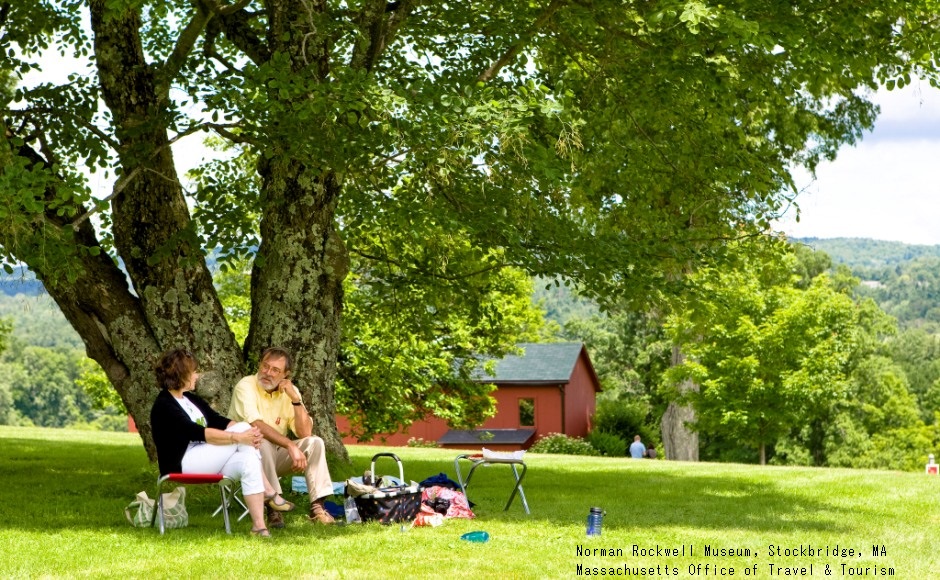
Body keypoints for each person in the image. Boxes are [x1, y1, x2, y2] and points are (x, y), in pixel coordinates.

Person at [150, 348, 294, 538]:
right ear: (181, 374)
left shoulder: (190, 399)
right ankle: (269, 490)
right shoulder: (164, 405)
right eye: (193, 372)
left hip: (205, 457)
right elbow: (197, 432)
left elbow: (217, 420)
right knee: (243, 430)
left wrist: (250, 433)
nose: (197, 375)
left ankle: (259, 527)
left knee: (248, 459)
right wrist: (239, 436)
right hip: (183, 463)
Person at [228, 346, 336, 527]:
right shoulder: (245, 385)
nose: (267, 373)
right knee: (260, 440)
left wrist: (295, 399)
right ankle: (273, 507)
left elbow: (305, 433)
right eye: (265, 366)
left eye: (275, 370)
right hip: (244, 454)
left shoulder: (290, 392)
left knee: (315, 442)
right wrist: (290, 446)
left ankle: (318, 507)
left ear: (285, 375)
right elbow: (257, 425)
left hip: (275, 454)